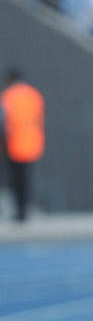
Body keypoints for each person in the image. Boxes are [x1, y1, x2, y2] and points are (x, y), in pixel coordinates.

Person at [1, 69, 44, 222]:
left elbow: (3, 121)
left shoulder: (8, 96)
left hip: (12, 144)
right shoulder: (33, 95)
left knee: (15, 181)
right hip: (31, 143)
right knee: (26, 180)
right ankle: (24, 210)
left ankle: (20, 211)